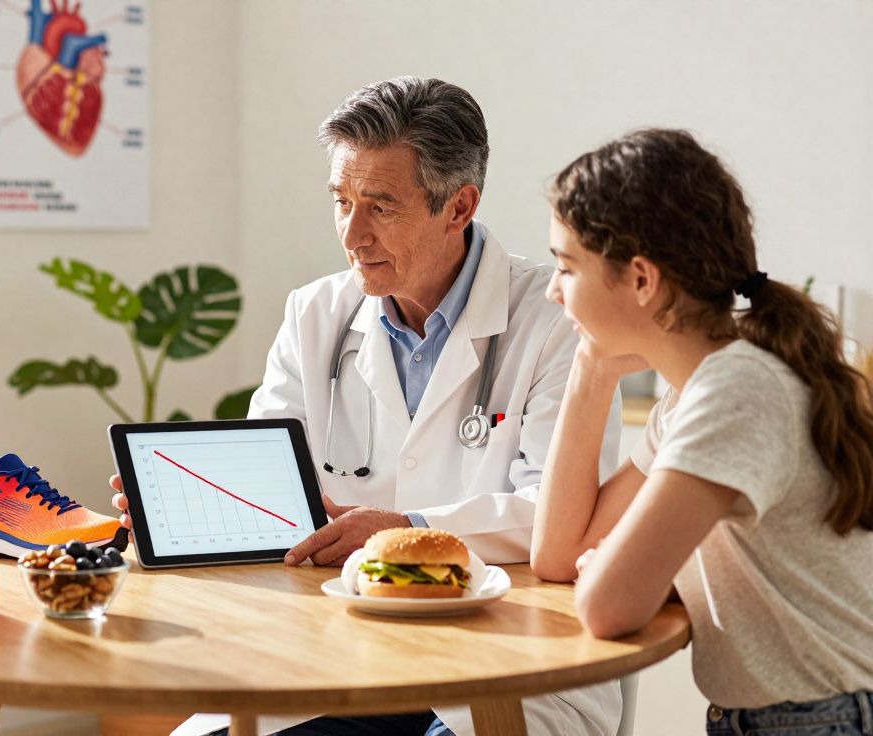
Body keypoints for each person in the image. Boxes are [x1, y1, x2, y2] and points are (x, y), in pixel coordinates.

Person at [112, 76, 624, 736]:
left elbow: (559, 516)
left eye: (380, 207)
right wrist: (187, 507)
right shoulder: (316, 314)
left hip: (499, 655)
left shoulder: (555, 322)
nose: (352, 234)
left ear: (459, 206)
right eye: (341, 201)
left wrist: (406, 526)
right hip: (337, 652)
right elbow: (273, 482)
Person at [531, 128, 873, 734]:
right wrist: (590, 372)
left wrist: (621, 567)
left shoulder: (735, 392)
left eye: (566, 267)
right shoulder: (695, 394)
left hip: (822, 720)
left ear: (642, 279)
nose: (554, 290)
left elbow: (607, 606)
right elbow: (558, 556)